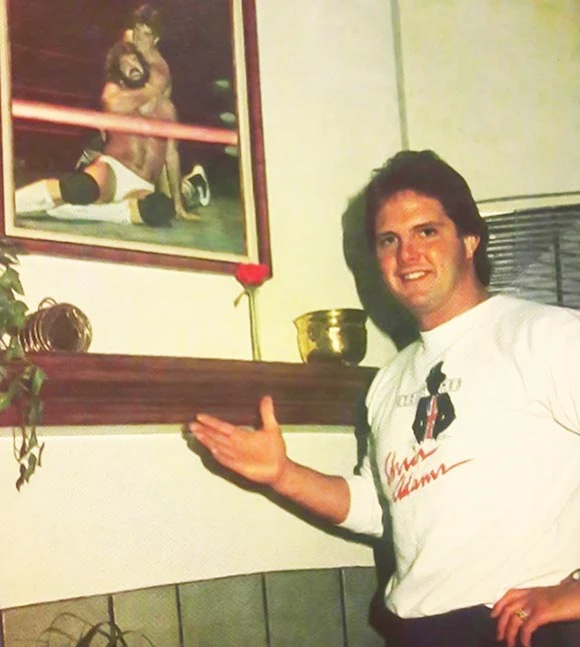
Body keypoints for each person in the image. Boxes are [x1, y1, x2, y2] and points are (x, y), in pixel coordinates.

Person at [187, 150, 580, 647]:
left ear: (470, 239)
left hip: (515, 629)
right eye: (389, 240)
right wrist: (283, 475)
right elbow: (381, 510)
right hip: (416, 630)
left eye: (426, 232)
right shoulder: (389, 381)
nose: (407, 254)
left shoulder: (546, 336)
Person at [15, 41, 195, 225]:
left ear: (144, 64)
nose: (132, 66)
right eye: (125, 65)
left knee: (160, 210)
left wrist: (178, 204)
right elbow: (113, 105)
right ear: (119, 74)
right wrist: (152, 91)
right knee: (80, 187)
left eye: (135, 60)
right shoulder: (114, 91)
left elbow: (171, 156)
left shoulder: (167, 109)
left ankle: (77, 211)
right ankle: (10, 205)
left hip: (142, 184)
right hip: (113, 170)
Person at [76, 3, 210, 211]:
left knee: (164, 201)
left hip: (152, 133)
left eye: (144, 35)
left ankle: (192, 186)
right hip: (123, 134)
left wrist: (175, 202)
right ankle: (91, 159)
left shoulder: (158, 73)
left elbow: (160, 134)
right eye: (136, 32)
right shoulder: (130, 40)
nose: (137, 39)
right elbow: (112, 91)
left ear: (155, 40)